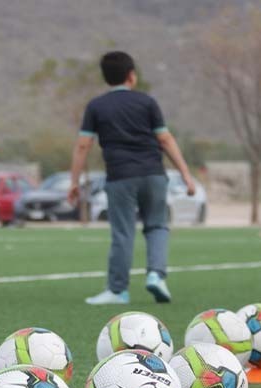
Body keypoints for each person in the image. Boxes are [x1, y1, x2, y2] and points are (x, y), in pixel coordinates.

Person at [68, 51, 196, 305]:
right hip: (153, 174)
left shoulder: (96, 106)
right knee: (157, 226)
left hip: (120, 176)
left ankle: (117, 291)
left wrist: (74, 182)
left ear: (106, 78)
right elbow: (165, 139)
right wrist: (186, 174)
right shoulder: (147, 102)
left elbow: (83, 145)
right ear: (131, 76)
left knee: (123, 233)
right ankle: (156, 276)